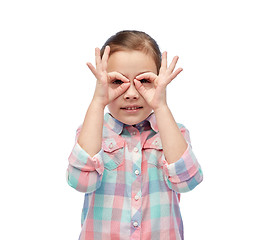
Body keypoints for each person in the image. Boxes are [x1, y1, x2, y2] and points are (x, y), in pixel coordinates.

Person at [66, 30, 203, 240]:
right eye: (117, 82)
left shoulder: (175, 132)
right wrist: (97, 101)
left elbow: (188, 181)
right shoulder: (92, 132)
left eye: (144, 81)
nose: (131, 94)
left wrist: (161, 106)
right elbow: (80, 181)